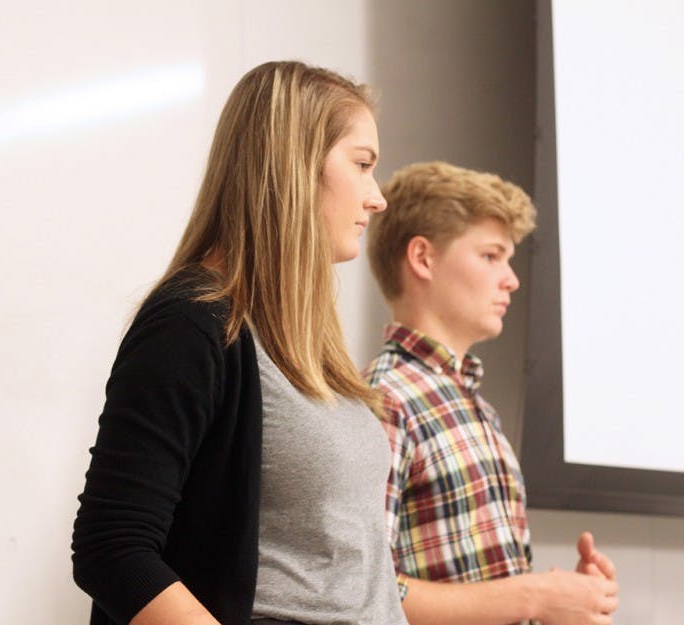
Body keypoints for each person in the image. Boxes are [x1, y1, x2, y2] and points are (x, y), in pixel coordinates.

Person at [72, 61, 407, 625]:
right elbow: (113, 548)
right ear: (295, 165)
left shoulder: (302, 335)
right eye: (362, 165)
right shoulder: (190, 324)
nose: (377, 198)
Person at [363, 161, 619, 625]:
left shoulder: (478, 409)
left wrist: (564, 601)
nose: (512, 279)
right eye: (490, 255)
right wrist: (534, 596)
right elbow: (364, 591)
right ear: (423, 258)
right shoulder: (385, 400)